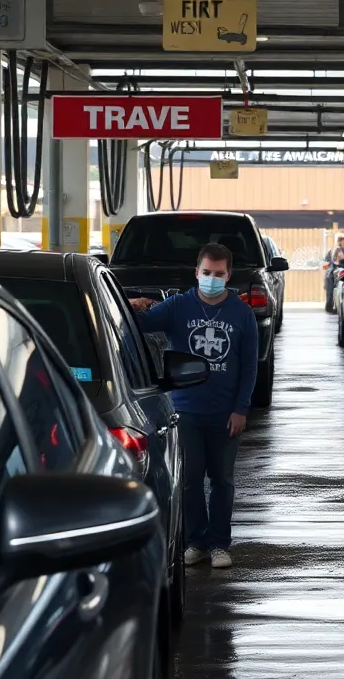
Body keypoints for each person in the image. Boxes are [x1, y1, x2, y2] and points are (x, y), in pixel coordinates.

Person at [128, 243, 258, 569]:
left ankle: (219, 544)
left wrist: (241, 409)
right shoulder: (177, 307)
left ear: (228, 275)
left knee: (223, 481)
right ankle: (196, 541)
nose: (211, 278)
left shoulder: (241, 314)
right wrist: (129, 305)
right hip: (185, 409)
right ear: (196, 272)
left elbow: (249, 366)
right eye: (206, 272)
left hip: (226, 413)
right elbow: (140, 324)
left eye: (218, 273)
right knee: (190, 481)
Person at [323, 232, 344, 313]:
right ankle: (331, 308)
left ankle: (331, 307)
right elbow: (336, 261)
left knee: (331, 292)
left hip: (332, 273)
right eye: (343, 240)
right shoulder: (337, 249)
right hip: (334, 273)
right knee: (332, 292)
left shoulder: (336, 249)